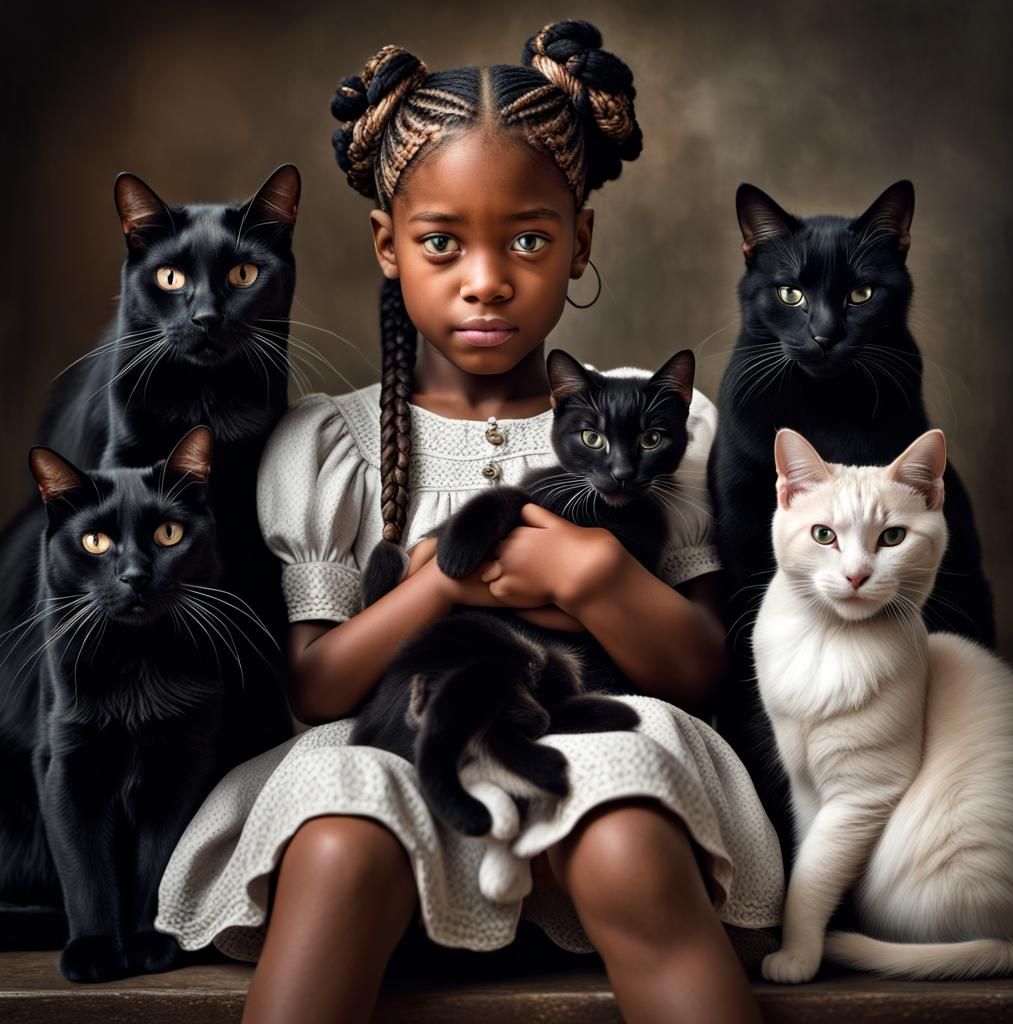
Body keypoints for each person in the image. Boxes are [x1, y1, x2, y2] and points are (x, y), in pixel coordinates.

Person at [155, 20, 783, 1024]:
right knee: (337, 840)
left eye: (527, 238)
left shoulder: (663, 423)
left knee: (624, 835)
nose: (485, 278)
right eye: (442, 241)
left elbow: (701, 666)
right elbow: (316, 684)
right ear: (386, 246)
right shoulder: (334, 444)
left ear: (581, 238)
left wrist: (592, 576)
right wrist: (442, 581)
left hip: (588, 729)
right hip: (396, 743)